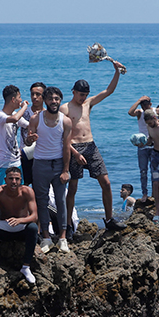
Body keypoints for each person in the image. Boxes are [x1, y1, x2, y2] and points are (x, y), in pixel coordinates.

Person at [61, 59, 127, 232]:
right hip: (74, 149)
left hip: (91, 146)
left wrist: (117, 71)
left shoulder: (88, 103)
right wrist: (75, 153)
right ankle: (68, 224)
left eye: (85, 94)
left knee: (106, 182)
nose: (83, 98)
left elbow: (109, 91)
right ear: (73, 92)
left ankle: (109, 219)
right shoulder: (65, 109)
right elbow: (62, 138)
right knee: (73, 187)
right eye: (80, 94)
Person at [24, 86, 72, 253]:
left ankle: (63, 238)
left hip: (59, 164)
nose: (54, 101)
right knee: (42, 201)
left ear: (60, 100)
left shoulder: (65, 120)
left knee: (61, 201)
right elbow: (29, 142)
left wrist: (66, 170)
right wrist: (30, 139)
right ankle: (46, 237)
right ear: (45, 100)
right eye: (51, 98)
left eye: (57, 98)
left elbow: (67, 147)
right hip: (40, 164)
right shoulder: (36, 119)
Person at [0, 167, 39, 284]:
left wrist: (20, 220)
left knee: (33, 228)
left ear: (21, 180)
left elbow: (34, 217)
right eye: (11, 178)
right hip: (4, 227)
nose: (14, 181)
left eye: (17, 179)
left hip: (20, 228)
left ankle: (26, 267)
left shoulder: (27, 192)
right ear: (5, 179)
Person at [0, 85, 29, 187]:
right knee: (1, 191)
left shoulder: (14, 113)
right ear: (13, 99)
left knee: (18, 190)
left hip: (16, 161)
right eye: (19, 97)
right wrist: (24, 107)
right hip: (3, 163)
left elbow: (29, 125)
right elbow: (15, 119)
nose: (20, 100)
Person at [16, 82, 46, 186]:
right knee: (23, 186)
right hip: (24, 155)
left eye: (38, 94)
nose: (34, 97)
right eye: (32, 94)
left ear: (44, 96)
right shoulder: (23, 112)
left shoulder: (47, 114)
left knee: (41, 188)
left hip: (42, 156)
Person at [128, 95, 154, 202]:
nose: (144, 106)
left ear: (150, 104)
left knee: (154, 171)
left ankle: (154, 193)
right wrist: (138, 100)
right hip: (142, 146)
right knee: (143, 171)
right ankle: (145, 193)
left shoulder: (155, 112)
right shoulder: (140, 113)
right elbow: (130, 112)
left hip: (153, 145)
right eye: (142, 104)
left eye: (146, 104)